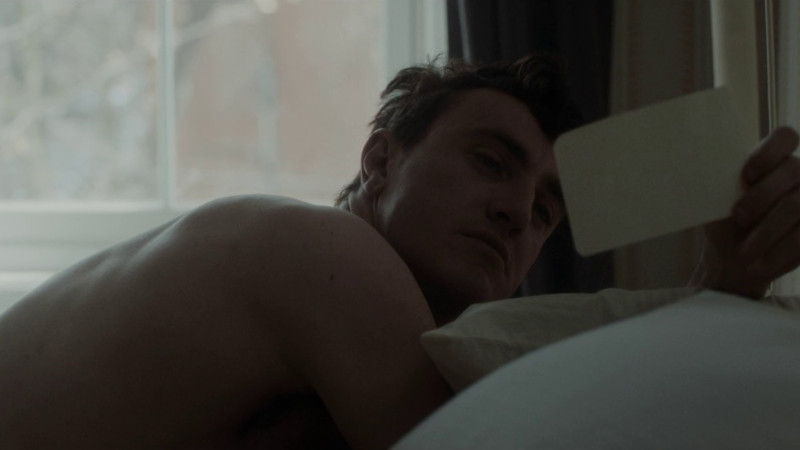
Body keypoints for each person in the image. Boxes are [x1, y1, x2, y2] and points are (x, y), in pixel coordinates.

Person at [1, 54, 799, 449]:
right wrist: (711, 298)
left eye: (544, 209)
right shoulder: (316, 247)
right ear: (380, 161)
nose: (516, 211)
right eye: (490, 161)